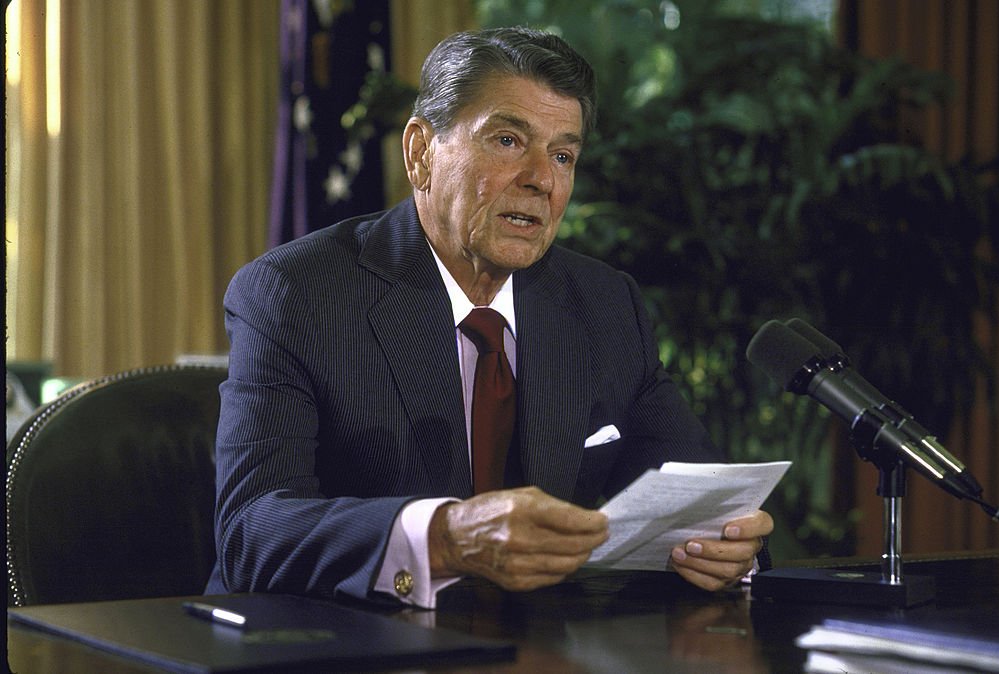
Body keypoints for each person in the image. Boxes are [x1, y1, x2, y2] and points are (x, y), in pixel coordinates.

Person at [206, 26, 773, 609]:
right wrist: (448, 537)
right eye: (507, 141)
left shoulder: (603, 303)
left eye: (563, 155)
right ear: (421, 152)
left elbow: (703, 497)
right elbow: (251, 533)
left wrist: (728, 548)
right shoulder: (296, 293)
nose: (542, 180)